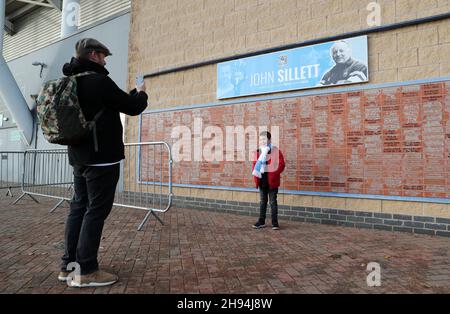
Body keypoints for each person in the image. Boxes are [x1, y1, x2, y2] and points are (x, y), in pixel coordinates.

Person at [58, 38, 148, 288]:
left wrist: (129, 96)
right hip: (101, 159)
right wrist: (141, 92)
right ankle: (86, 270)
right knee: (95, 211)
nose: (106, 60)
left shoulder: (71, 80)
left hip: (79, 158)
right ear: (94, 55)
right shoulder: (98, 81)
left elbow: (114, 102)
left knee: (78, 208)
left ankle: (69, 266)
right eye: (104, 56)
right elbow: (132, 107)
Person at [252, 131, 285, 230]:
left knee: (273, 202)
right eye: (261, 139)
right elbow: (254, 165)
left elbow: (281, 164)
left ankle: (275, 223)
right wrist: (256, 176)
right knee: (262, 202)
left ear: (269, 140)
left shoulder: (275, 151)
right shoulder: (258, 152)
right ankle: (261, 221)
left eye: (264, 139)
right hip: (262, 181)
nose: (262, 141)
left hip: (272, 181)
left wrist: (274, 173)